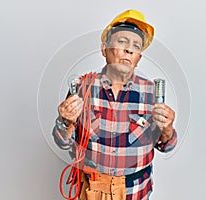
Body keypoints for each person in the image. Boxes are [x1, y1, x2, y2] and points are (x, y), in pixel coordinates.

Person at [53, 9, 177, 200]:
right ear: (104, 49)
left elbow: (166, 146)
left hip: (135, 192)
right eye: (122, 42)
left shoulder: (150, 92)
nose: (129, 49)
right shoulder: (81, 87)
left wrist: (167, 129)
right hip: (92, 189)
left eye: (136, 46)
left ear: (138, 58)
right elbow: (63, 142)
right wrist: (65, 122)